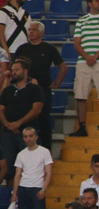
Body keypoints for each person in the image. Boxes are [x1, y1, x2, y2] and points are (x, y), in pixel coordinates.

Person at [15, 21, 67, 149]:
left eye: (34, 29)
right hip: (24, 90)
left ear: (42, 32)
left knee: (44, 121)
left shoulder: (49, 49)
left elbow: (63, 67)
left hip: (43, 90)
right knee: (25, 120)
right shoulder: (22, 49)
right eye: (30, 29)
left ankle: (47, 152)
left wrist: (56, 83)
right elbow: (14, 68)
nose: (31, 32)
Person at [69, 0, 99, 138]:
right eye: (96, 0)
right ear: (89, 3)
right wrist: (87, 56)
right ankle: (82, 127)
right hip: (84, 61)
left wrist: (94, 56)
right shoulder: (81, 21)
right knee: (80, 94)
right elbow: (76, 43)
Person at [0, 58, 44, 181]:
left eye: (17, 69)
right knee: (8, 167)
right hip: (8, 134)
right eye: (12, 69)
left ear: (25, 71)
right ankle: (10, 196)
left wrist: (18, 124)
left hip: (28, 133)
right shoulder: (8, 90)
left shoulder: (35, 89)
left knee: (28, 167)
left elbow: (37, 110)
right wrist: (8, 124)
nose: (13, 72)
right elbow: (0, 109)